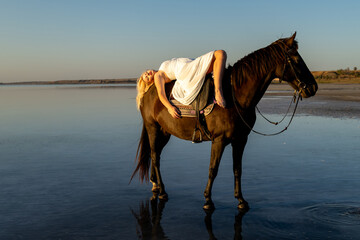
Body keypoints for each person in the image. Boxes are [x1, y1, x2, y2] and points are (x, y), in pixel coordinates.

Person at [136, 50, 227, 119]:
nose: (148, 74)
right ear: (151, 82)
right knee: (220, 54)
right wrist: (170, 108)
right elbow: (161, 94)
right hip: (186, 71)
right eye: (147, 78)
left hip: (189, 64)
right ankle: (218, 92)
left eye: (146, 73)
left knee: (219, 56)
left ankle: (217, 84)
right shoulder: (158, 76)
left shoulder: (160, 69)